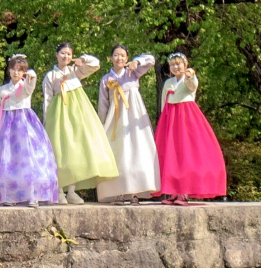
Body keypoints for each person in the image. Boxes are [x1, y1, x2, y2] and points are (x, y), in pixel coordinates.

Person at [43, 43, 119, 204]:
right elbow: (47, 99)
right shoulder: (50, 76)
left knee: (76, 151)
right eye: (63, 53)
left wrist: (82, 59)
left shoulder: (74, 72)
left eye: (69, 54)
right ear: (56, 55)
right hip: (58, 115)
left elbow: (95, 64)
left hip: (78, 114)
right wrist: (46, 121)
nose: (66, 57)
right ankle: (59, 191)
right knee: (60, 151)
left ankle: (72, 191)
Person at [0, 55, 61, 206]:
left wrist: (31, 76)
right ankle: (8, 196)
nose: (16, 73)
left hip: (25, 125)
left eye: (20, 70)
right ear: (8, 70)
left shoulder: (24, 86)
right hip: (6, 128)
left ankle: (33, 195)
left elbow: (29, 87)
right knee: (7, 160)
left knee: (29, 160)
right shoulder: (2, 90)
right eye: (13, 69)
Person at [155, 51, 227, 203]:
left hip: (185, 118)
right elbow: (164, 101)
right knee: (172, 155)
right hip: (170, 119)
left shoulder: (188, 80)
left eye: (178, 64)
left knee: (186, 154)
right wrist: (163, 120)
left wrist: (190, 75)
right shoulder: (168, 83)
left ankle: (184, 192)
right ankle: (173, 191)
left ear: (185, 65)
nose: (175, 67)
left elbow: (192, 85)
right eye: (172, 64)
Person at [96, 47, 160, 203]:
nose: (119, 58)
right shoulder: (106, 79)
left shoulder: (132, 72)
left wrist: (137, 61)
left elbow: (151, 59)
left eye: (123, 55)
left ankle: (135, 192)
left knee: (137, 151)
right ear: (110, 58)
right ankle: (118, 191)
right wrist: (101, 125)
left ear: (127, 58)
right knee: (117, 153)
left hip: (134, 117)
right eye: (116, 55)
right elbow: (103, 104)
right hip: (115, 119)